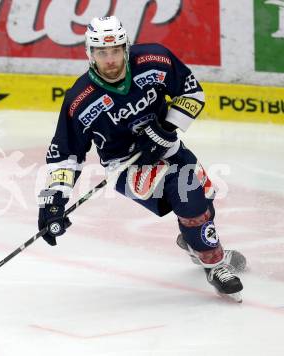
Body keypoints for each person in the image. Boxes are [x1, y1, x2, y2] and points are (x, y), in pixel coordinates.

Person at [37, 16, 246, 301]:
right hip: (126, 166)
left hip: (168, 147)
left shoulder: (154, 59)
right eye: (101, 52)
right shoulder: (80, 99)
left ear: (125, 48)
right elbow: (65, 155)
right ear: (90, 53)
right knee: (189, 194)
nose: (109, 60)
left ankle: (193, 241)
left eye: (114, 51)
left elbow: (191, 92)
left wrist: (165, 127)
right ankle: (216, 264)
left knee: (203, 203)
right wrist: (53, 203)